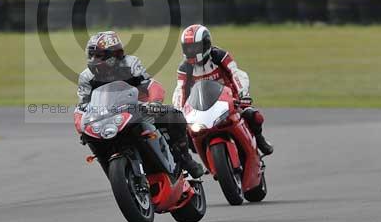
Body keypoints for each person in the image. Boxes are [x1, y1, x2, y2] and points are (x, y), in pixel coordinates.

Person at [77, 30, 205, 178]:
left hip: (139, 109)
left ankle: (185, 158)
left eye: (98, 55)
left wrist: (155, 103)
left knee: (174, 115)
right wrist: (81, 124)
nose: (93, 59)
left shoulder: (130, 64)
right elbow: (83, 105)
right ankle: (116, 175)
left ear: (113, 55)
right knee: (90, 138)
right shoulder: (86, 77)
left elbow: (150, 85)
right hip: (107, 117)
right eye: (91, 55)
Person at [171, 24, 274, 156]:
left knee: (253, 116)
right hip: (203, 108)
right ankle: (198, 160)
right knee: (186, 132)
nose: (191, 51)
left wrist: (243, 95)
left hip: (231, 101)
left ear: (206, 44)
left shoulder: (219, 56)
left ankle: (259, 140)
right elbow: (180, 90)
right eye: (188, 48)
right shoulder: (185, 67)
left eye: (195, 47)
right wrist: (179, 112)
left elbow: (236, 74)